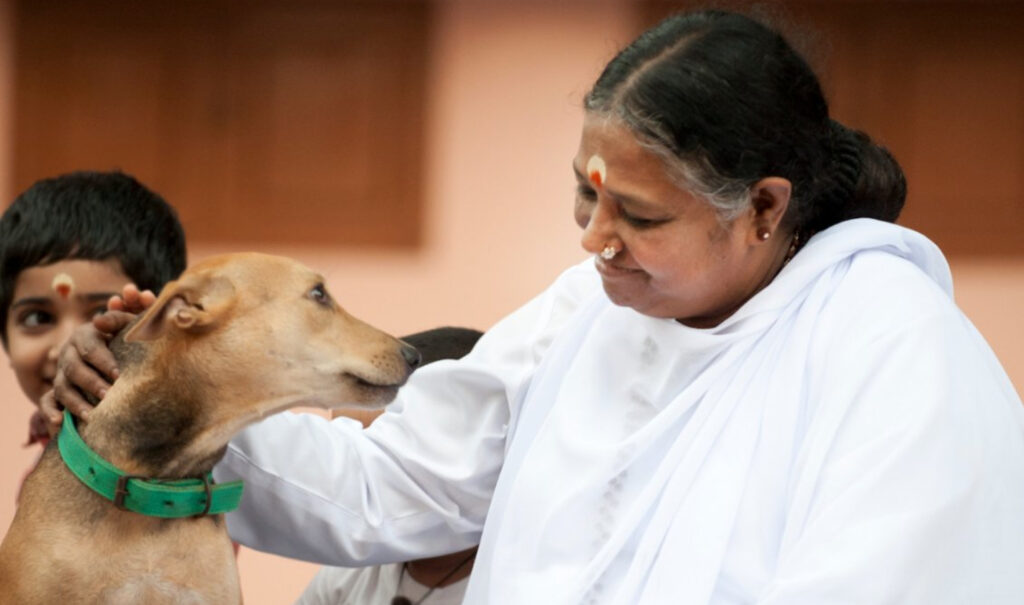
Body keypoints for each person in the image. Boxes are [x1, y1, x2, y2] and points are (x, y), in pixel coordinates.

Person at [50, 10, 1024, 604]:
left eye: (636, 214)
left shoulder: (895, 349)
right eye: (582, 192)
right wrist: (162, 400)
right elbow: (397, 486)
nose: (593, 237)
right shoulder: (583, 310)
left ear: (763, 206)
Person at [296, 327, 482, 605]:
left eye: (378, 466)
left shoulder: (532, 583)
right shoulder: (347, 577)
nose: (353, 489)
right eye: (347, 462)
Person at [1, 170, 186, 446]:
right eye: (38, 317)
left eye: (103, 314)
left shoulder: (203, 456)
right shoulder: (43, 463)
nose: (68, 346)